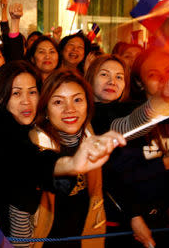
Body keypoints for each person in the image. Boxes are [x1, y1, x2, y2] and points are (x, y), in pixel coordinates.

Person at [0, 61, 125, 246]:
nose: (26, 101)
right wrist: (70, 164)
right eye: (16, 93)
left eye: (32, 92)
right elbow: (29, 160)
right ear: (1, 96)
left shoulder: (28, 127)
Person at [87, 52, 169, 248]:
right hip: (117, 220)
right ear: (89, 77)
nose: (112, 81)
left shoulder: (130, 107)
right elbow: (125, 127)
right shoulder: (93, 117)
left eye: (119, 77)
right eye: (104, 74)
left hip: (159, 214)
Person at [29, 69, 116, 248]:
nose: (70, 109)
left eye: (77, 100)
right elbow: (43, 167)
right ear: (44, 109)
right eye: (58, 102)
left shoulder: (90, 137)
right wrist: (71, 164)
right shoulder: (32, 144)